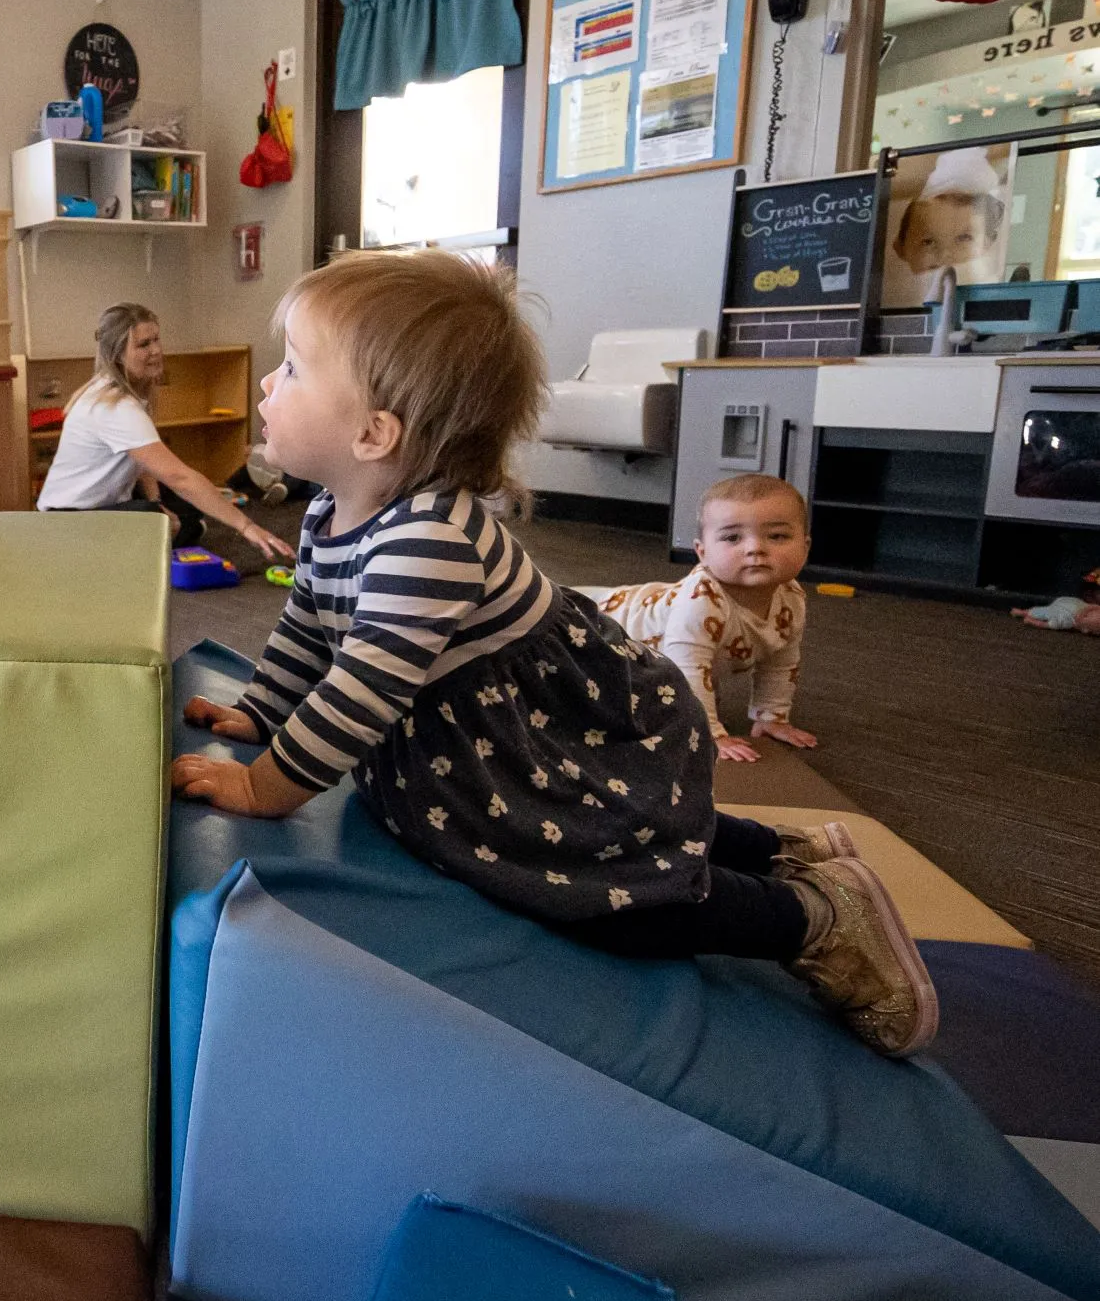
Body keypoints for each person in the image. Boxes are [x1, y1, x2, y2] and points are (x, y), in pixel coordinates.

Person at [169, 250, 936, 1058]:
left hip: (542, 730)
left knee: (607, 895)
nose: (266, 385)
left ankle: (814, 917)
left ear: (374, 432)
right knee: (622, 829)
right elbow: (310, 626)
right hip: (472, 736)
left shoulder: (425, 541)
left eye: (291, 369)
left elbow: (361, 689)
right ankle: (786, 850)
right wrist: (263, 710)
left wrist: (264, 786)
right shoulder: (334, 508)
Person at [36, 302, 292, 562]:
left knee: (185, 510)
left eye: (156, 340)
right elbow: (178, 476)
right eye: (143, 345)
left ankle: (169, 532)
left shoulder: (127, 396)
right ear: (117, 355)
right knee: (157, 515)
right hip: (67, 521)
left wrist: (159, 500)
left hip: (104, 505)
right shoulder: (115, 407)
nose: (156, 351)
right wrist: (246, 526)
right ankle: (156, 538)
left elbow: (144, 463)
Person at [589, 474, 813, 764]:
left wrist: (772, 716)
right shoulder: (701, 602)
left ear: (805, 547)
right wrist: (710, 732)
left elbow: (781, 660)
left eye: (777, 536)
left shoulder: (792, 597)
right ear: (702, 553)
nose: (755, 548)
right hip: (601, 628)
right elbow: (687, 669)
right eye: (733, 537)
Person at [882, 149, 1006, 307]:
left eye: (964, 238)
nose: (946, 255)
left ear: (989, 243)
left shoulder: (992, 297)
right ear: (900, 247)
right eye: (928, 241)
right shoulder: (894, 298)